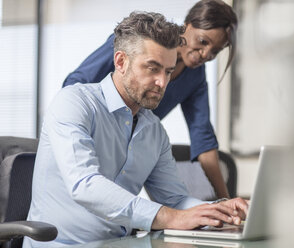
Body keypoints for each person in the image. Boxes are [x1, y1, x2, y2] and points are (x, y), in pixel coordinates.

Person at [23, 12, 247, 248]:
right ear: (120, 62)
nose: (162, 82)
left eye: (169, 72)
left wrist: (218, 211)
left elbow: (175, 199)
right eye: (152, 68)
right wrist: (169, 217)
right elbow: (85, 186)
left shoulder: (154, 131)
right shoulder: (73, 103)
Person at [63, 0, 238, 199]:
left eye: (216, 51)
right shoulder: (138, 45)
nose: (206, 54)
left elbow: (203, 139)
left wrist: (227, 202)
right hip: (97, 142)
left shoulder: (195, 77)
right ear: (188, 24)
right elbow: (74, 86)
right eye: (203, 41)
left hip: (129, 151)